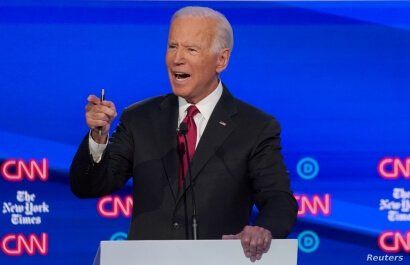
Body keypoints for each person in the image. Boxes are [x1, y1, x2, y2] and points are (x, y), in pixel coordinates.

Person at [70, 6, 297, 262]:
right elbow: (88, 186)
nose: (177, 58)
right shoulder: (140, 118)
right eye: (172, 46)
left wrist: (263, 230)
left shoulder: (255, 127)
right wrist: (99, 138)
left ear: (221, 60)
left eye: (191, 49)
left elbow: (279, 199)